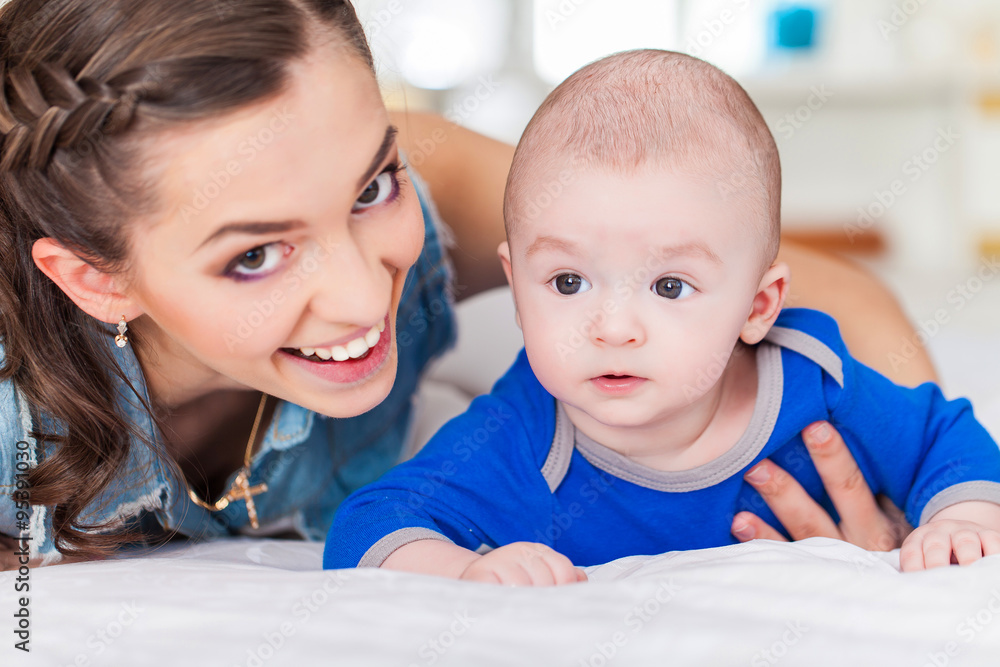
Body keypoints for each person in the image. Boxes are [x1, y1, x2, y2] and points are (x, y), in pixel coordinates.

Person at [0, 0, 939, 571]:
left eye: (372, 188)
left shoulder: (415, 166)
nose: (368, 300)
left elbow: (835, 297)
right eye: (256, 255)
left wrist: (884, 501)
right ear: (94, 276)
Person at [323, 50, 1000, 583]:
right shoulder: (522, 433)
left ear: (758, 306)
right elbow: (370, 522)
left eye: (670, 286)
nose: (614, 328)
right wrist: (464, 566)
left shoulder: (813, 382)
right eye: (567, 281)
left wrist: (958, 517)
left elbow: (946, 437)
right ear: (514, 285)